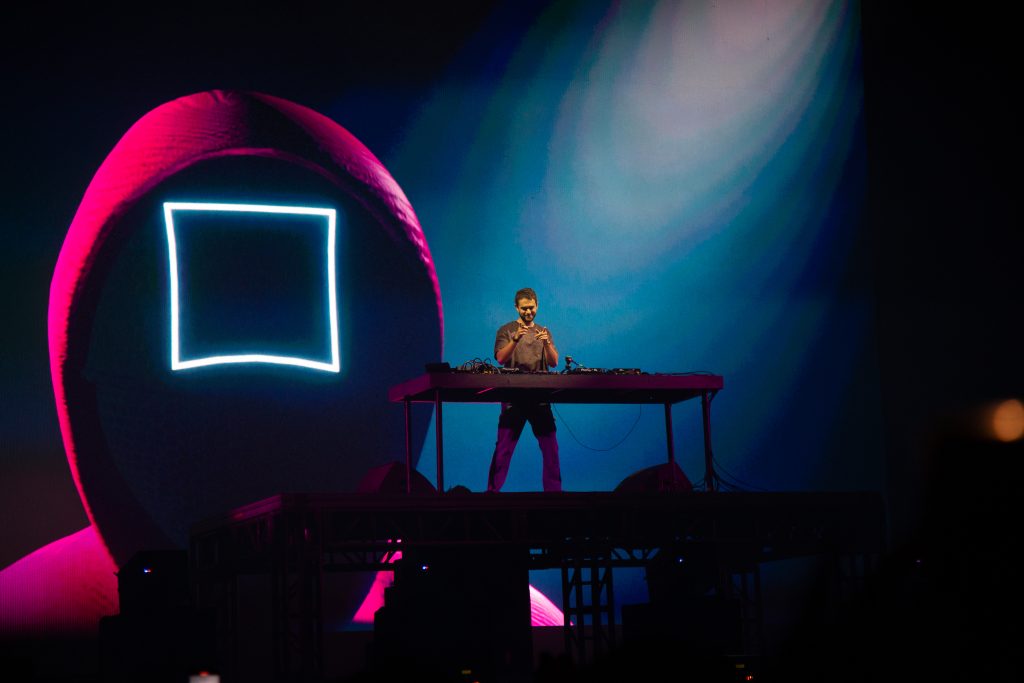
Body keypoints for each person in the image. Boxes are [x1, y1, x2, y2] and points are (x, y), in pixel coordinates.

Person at [487, 287, 562, 492]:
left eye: (531, 308)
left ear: (537, 306)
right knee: (503, 449)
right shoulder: (506, 330)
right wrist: (515, 340)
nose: (528, 312)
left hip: (539, 397)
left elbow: (554, 362)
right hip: (514, 398)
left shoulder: (544, 332)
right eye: (524, 309)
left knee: (551, 448)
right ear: (516, 308)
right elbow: (501, 358)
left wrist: (547, 343)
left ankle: (554, 495)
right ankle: (491, 493)